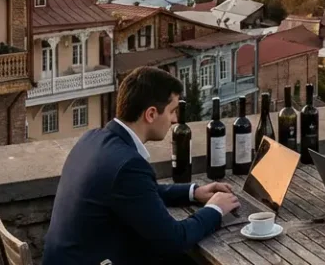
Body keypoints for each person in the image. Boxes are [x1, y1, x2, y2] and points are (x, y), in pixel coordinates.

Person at [44, 67, 240, 265]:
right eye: (172, 111)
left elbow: (141, 193)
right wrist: (215, 209)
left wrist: (193, 192)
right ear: (151, 114)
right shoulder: (129, 165)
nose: (174, 119)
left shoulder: (91, 139)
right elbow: (174, 239)